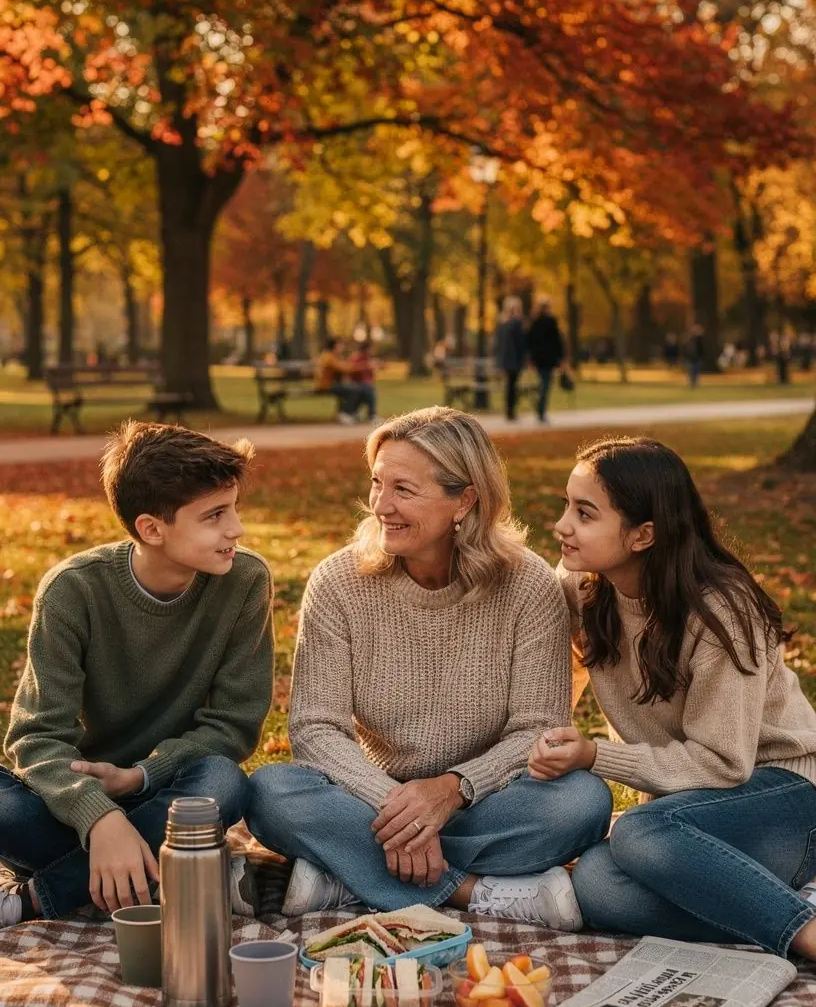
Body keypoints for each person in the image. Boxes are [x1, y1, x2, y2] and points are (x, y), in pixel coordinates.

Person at [248, 406, 611, 926]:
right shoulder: (338, 583)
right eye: (377, 483)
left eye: (403, 489)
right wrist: (402, 809)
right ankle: (472, 892)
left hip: (484, 800)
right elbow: (315, 729)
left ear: (465, 500)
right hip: (369, 798)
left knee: (582, 802)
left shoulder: (528, 587)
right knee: (270, 792)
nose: (381, 505)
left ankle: (346, 873)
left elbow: (537, 730)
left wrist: (451, 790)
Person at [528, 435, 816, 961]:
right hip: (691, 818)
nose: (562, 526)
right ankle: (762, 901)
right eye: (566, 506)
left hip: (786, 795)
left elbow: (723, 764)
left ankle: (804, 932)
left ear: (643, 535)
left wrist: (595, 755)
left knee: (638, 831)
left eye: (585, 514)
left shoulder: (721, 612)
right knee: (596, 882)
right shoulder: (586, 589)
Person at [0, 421, 274, 927]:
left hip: (171, 789)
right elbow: (36, 737)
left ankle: (34, 899)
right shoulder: (72, 591)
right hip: (77, 799)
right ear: (151, 529)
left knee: (225, 782)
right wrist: (99, 816)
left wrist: (140, 777)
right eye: (215, 515)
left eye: (234, 508)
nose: (236, 528)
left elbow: (232, 725)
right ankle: (164, 869)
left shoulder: (245, 581)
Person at [526, 296, 565, 423]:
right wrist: (560, 358)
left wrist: (531, 358)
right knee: (545, 384)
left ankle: (540, 408)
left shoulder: (535, 322)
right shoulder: (551, 321)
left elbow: (529, 342)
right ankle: (541, 410)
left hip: (539, 360)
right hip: (548, 360)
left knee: (543, 382)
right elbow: (557, 341)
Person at [314, 336, 360, 423]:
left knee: (356, 388)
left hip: (331, 384)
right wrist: (356, 366)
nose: (342, 347)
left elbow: (343, 366)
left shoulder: (332, 355)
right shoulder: (328, 356)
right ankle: (344, 413)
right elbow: (342, 368)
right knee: (354, 390)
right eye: (340, 345)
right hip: (326, 385)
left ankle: (349, 413)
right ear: (334, 346)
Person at [347, 340, 377, 422]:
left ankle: (369, 414)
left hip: (364, 384)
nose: (371, 352)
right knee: (368, 390)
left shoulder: (368, 359)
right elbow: (351, 370)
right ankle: (371, 414)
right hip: (355, 382)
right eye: (370, 349)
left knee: (369, 389)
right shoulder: (355, 357)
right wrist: (366, 366)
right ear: (365, 349)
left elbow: (370, 375)